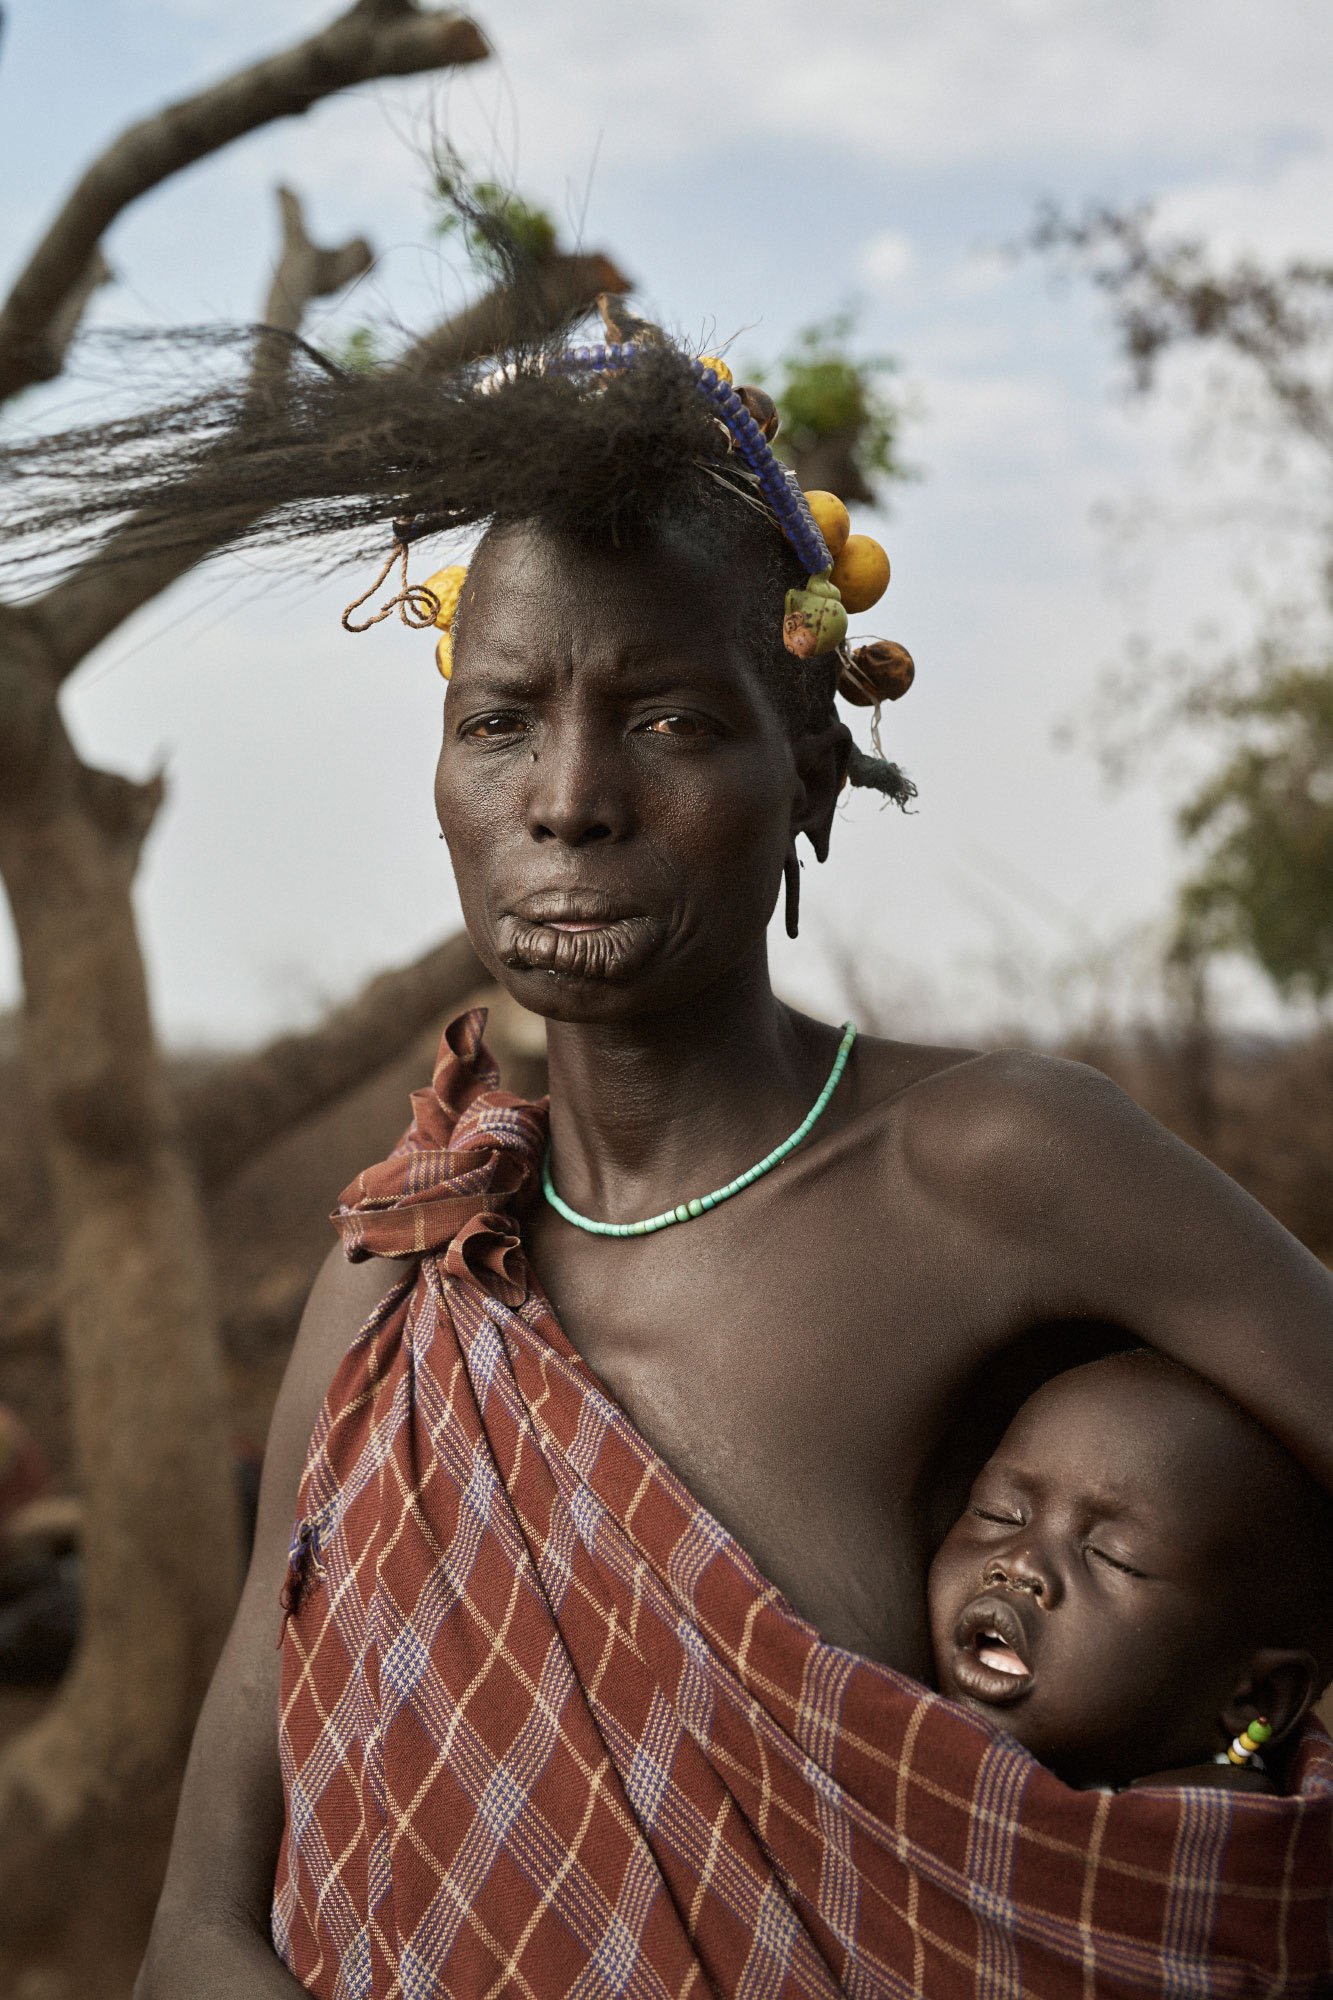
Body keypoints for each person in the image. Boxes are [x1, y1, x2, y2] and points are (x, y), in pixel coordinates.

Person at [19, 314, 1325, 1993]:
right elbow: (204, 1915)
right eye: (500, 721)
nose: (565, 796)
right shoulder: (398, 1275)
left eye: (665, 720)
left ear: (809, 779)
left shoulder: (989, 1166)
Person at [929, 1348, 1333, 1793]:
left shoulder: (1214, 1843)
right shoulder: (875, 1714)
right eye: (999, 1513)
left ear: (1255, 1697)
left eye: (1112, 1557)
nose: (1019, 1563)